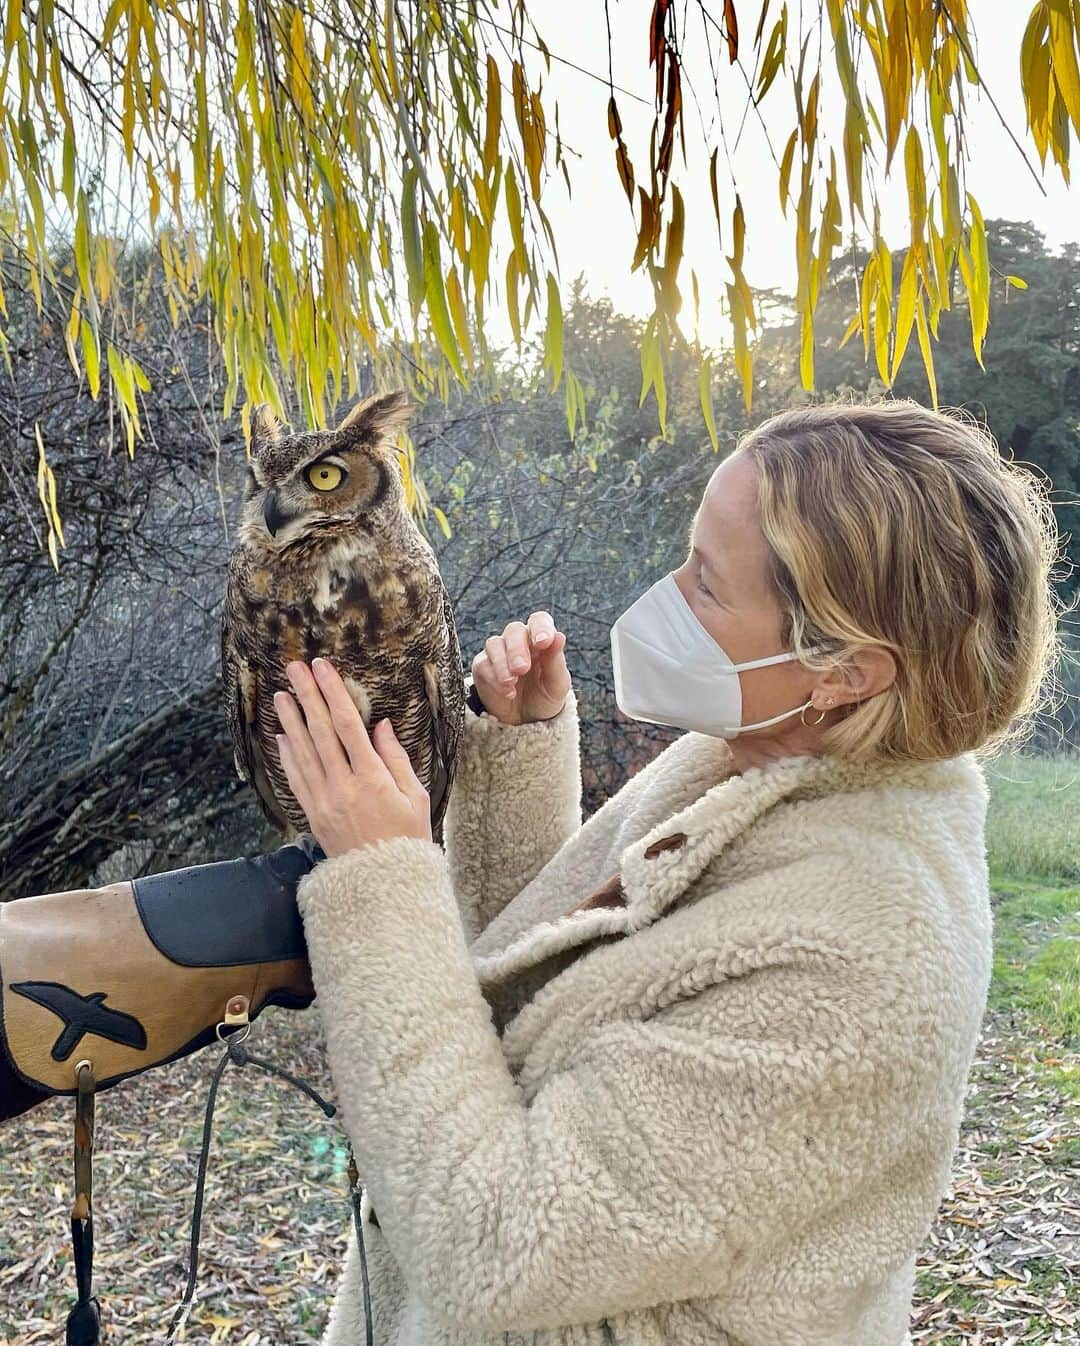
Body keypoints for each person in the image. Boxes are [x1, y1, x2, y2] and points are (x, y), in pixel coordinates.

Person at [273, 398, 1063, 1346]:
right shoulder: (758, 759)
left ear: (847, 669)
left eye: (708, 584)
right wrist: (523, 751)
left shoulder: (855, 962)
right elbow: (547, 992)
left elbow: (498, 1247)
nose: (668, 595)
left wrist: (379, 875)